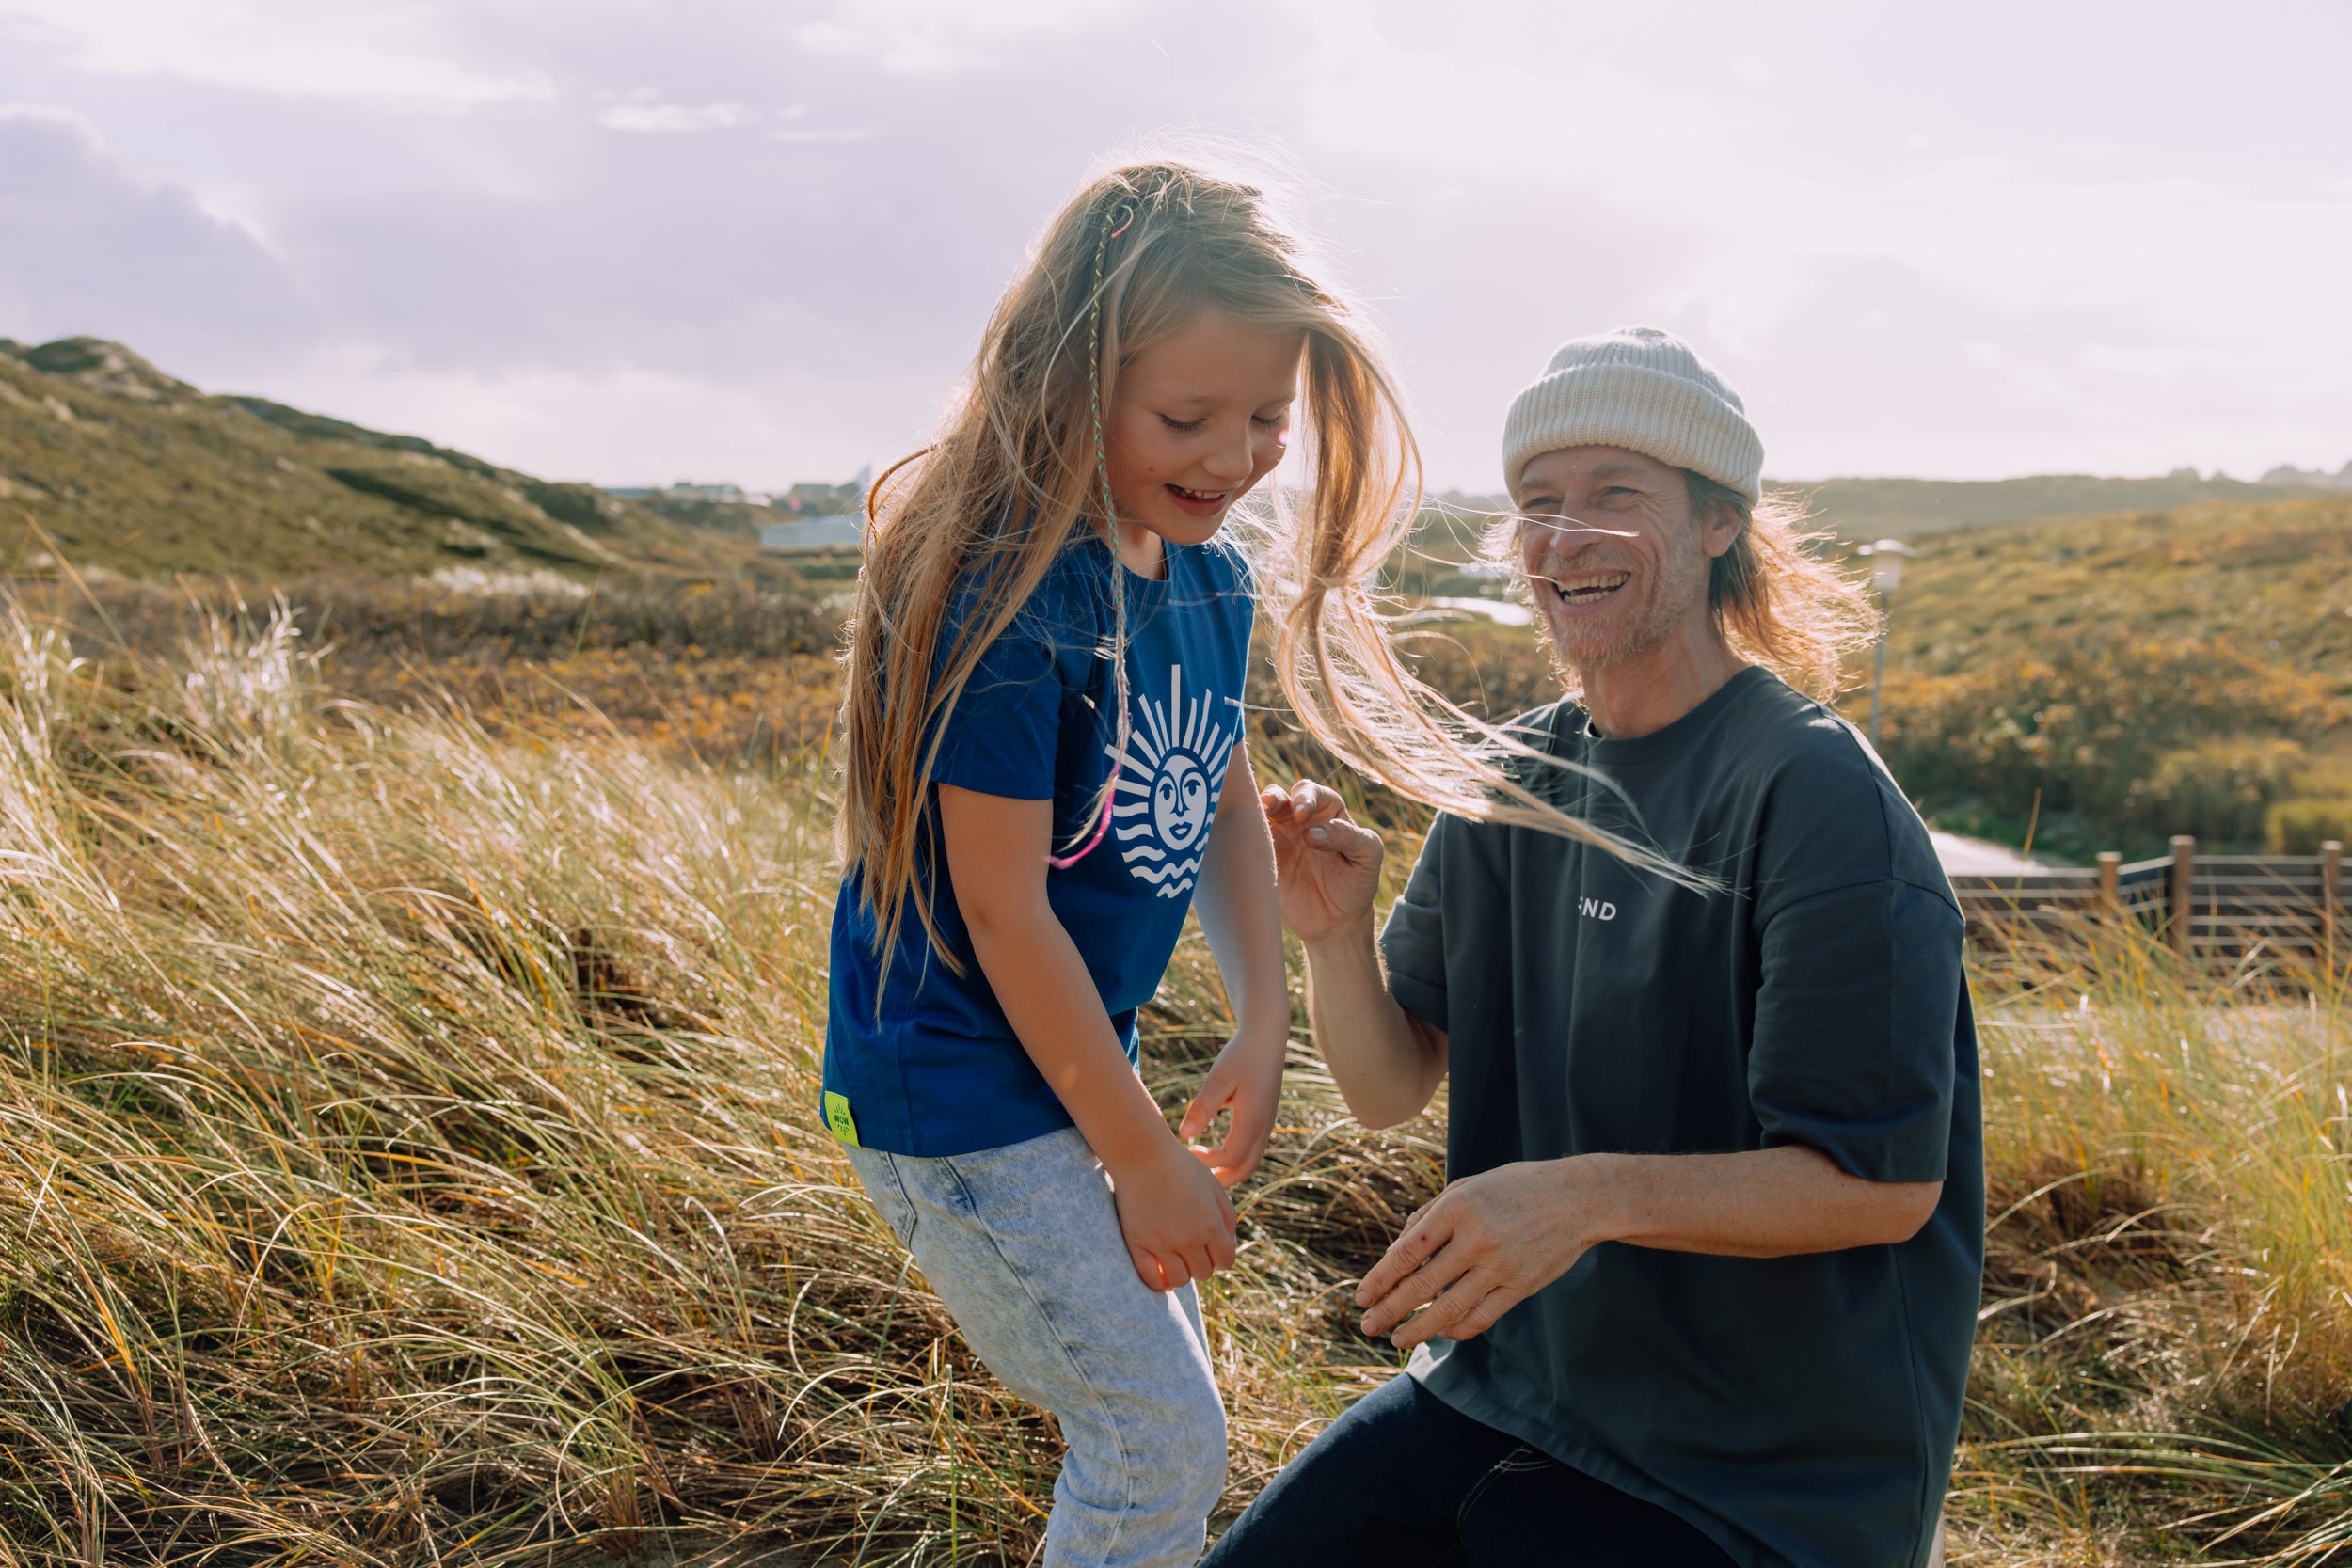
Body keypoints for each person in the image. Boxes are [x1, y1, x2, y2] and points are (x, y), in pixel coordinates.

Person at [821, 162, 1604, 1568]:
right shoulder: (1012, 595)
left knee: (1167, 1429)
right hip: (957, 1097)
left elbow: (1220, 788)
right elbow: (1002, 912)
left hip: (1075, 1073)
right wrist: (1139, 1155)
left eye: (1267, 420)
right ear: (1066, 384)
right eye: (1186, 419)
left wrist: (1260, 1017)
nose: (1233, 457)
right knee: (1158, 1439)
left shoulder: (1206, 576)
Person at [1206, 326, 1982, 1568]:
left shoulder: (1814, 795)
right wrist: (1334, 938)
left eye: (1616, 494)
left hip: (1760, 1482)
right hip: (1504, 1389)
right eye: (1538, 500)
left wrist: (1584, 1198)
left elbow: (1879, 1184)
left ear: (1719, 523)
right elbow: (1391, 1086)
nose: (1565, 538)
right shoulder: (1511, 775)